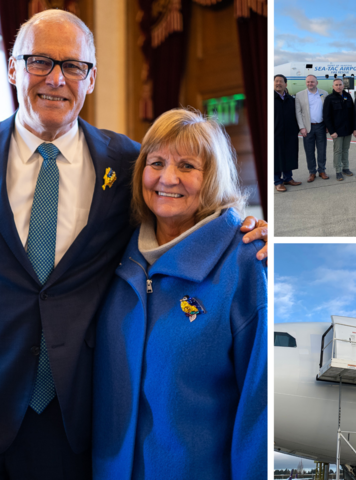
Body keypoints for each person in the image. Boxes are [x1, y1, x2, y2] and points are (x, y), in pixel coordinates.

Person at [0, 10, 267, 479]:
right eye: (40, 61)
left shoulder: (127, 163)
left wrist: (258, 231)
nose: (56, 79)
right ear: (12, 68)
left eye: (72, 66)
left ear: (90, 80)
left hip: (76, 427)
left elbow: (193, 204)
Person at [92, 108, 267, 479]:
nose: (167, 178)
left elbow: (260, 410)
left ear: (212, 178)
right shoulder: (115, 250)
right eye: (156, 162)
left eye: (187, 166)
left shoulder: (248, 262)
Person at [296, 74, 329, 182]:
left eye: (312, 82)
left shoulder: (324, 93)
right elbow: (298, 112)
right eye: (308, 82)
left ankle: (322, 170)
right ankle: (312, 172)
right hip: (307, 127)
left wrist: (328, 125)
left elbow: (328, 112)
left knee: (322, 150)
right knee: (309, 151)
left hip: (321, 126)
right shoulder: (300, 95)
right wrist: (302, 127)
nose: (310, 84)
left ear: (316, 83)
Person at [323, 78, 355, 181]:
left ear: (343, 85)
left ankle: (346, 168)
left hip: (348, 129)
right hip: (337, 131)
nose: (338, 86)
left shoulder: (348, 96)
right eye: (336, 85)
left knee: (345, 150)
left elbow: (353, 113)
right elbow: (326, 116)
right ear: (333, 86)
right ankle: (338, 171)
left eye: (340, 84)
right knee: (338, 151)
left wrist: (354, 128)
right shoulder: (329, 98)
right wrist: (332, 131)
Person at [274, 74, 301, 192]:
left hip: (290, 134)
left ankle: (288, 178)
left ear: (286, 84)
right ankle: (278, 182)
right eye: (276, 81)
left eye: (280, 81)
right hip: (275, 134)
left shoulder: (291, 99)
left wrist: (296, 130)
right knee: (276, 158)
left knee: (288, 156)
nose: (278, 83)